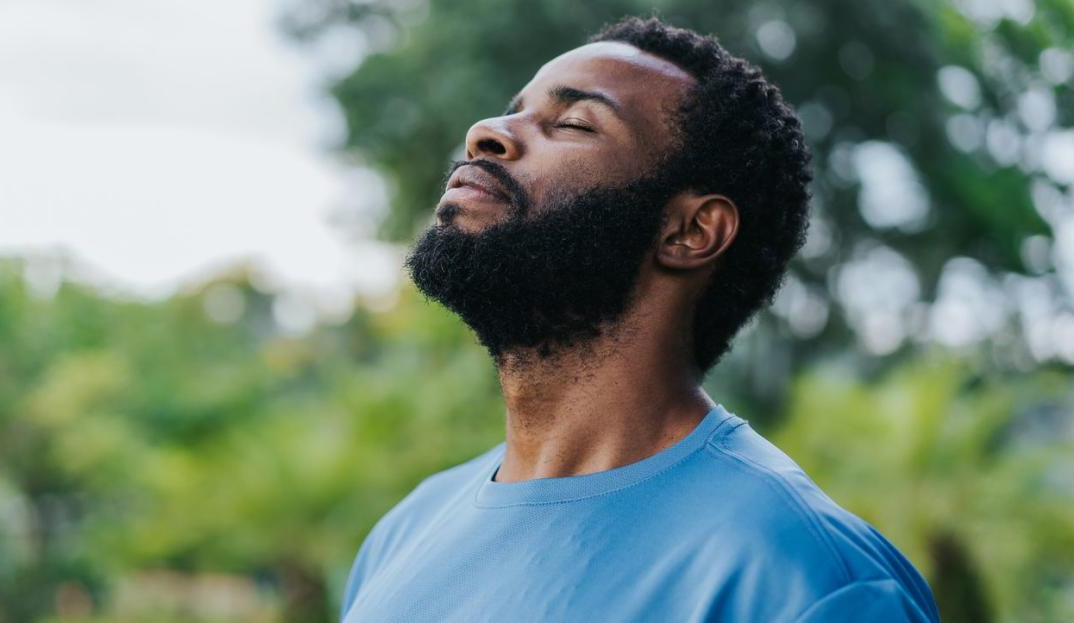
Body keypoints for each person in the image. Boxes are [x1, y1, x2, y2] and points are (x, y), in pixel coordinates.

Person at [340, 15, 940, 623]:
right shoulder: (404, 532)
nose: (486, 133)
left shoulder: (807, 580)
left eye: (573, 123)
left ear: (690, 231)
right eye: (513, 110)